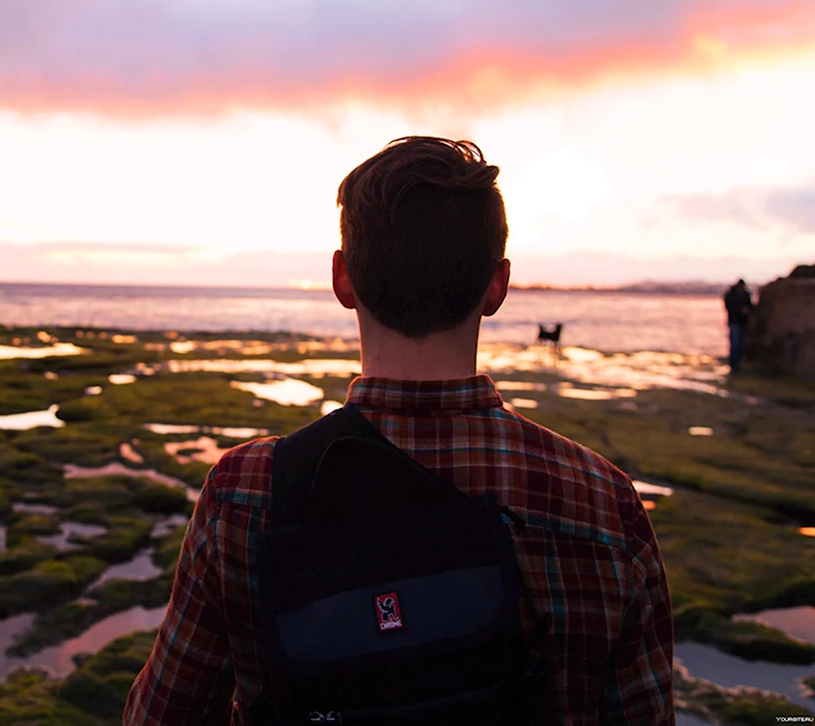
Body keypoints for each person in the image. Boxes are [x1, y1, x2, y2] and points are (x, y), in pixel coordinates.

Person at [125, 137, 673, 724]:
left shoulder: (243, 495)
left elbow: (160, 716)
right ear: (497, 285)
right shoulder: (603, 502)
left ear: (342, 280)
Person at [723, 279, 753, 373]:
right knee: (735, 344)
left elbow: (750, 306)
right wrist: (740, 310)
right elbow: (729, 307)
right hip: (735, 322)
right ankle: (734, 365)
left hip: (741, 322)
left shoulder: (744, 295)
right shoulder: (732, 295)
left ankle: (737, 364)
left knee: (739, 344)